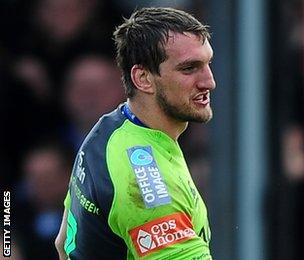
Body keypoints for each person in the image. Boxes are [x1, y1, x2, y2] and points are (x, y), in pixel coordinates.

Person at [54, 7, 215, 259]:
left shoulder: (109, 129)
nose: (209, 81)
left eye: (207, 64)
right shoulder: (150, 192)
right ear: (143, 78)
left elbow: (63, 243)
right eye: (189, 68)